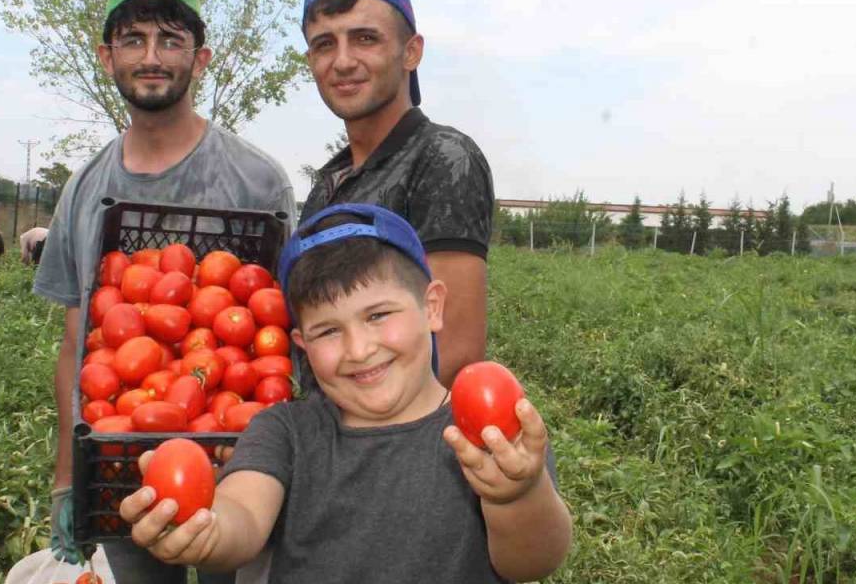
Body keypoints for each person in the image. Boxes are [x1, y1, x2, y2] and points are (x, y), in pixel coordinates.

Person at [117, 204, 573, 582]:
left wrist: (515, 495)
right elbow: (244, 514)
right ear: (302, 346)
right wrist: (209, 529)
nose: (359, 350)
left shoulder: (486, 431)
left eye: (377, 315)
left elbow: (531, 562)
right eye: (329, 330)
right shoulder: (286, 431)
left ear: (431, 306)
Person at [32, 0, 295, 583]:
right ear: (108, 56)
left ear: (200, 58)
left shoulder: (259, 181)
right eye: (134, 39)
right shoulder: (83, 190)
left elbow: (289, 334)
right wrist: (68, 482)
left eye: (171, 40)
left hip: (241, 470)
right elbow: (78, 347)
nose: (152, 57)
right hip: (122, 472)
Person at [298, 0, 495, 387]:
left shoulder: (442, 158)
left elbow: (456, 351)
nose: (344, 61)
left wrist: (334, 431)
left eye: (365, 38)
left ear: (411, 51)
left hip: (396, 446)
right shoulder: (328, 183)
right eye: (324, 45)